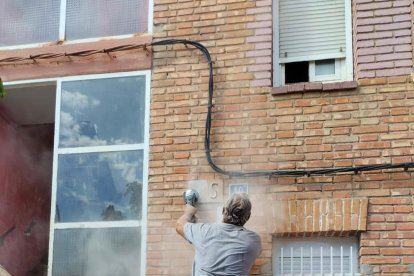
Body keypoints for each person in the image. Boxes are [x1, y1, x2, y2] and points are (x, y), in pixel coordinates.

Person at [176, 193, 262, 276]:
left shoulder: (204, 231)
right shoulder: (254, 241)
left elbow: (179, 226)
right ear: (248, 216)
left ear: (223, 210)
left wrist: (189, 212)